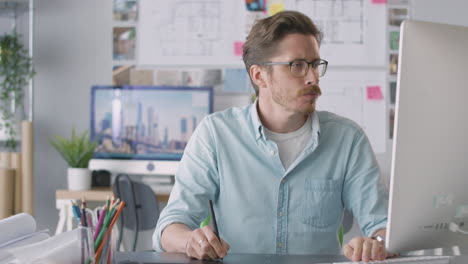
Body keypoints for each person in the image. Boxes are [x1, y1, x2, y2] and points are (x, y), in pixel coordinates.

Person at [153, 10, 389, 262]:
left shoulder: (348, 139)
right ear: (259, 75)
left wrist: (376, 243)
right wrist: (190, 240)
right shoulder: (216, 134)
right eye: (297, 65)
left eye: (315, 64)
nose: (312, 77)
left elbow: (382, 224)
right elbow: (170, 227)